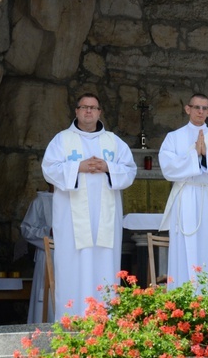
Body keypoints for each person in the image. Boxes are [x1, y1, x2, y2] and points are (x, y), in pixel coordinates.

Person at [41, 93, 136, 320]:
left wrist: (107, 167)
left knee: (103, 262)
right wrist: (78, 167)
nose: (88, 112)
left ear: (99, 112)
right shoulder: (62, 140)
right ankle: (71, 318)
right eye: (84, 107)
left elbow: (130, 170)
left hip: (105, 221)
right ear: (76, 111)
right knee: (72, 263)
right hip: (71, 221)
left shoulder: (113, 141)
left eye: (93, 108)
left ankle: (104, 318)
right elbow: (49, 169)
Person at [158, 93, 208, 290]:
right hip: (186, 195)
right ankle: (186, 294)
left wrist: (206, 156)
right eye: (196, 107)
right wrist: (194, 154)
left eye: (204, 108)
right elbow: (168, 168)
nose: (200, 111)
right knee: (187, 243)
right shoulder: (173, 138)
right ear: (188, 109)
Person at [20, 184, 54, 324]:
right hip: (47, 256)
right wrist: (47, 232)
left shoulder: (75, 200)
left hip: (70, 260)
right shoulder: (40, 202)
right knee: (46, 302)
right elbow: (26, 230)